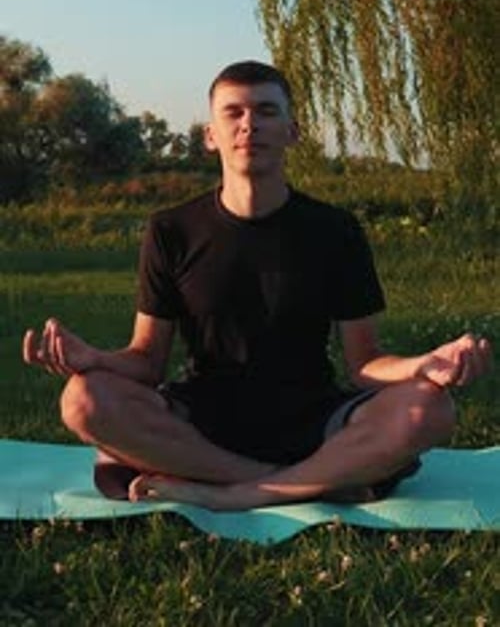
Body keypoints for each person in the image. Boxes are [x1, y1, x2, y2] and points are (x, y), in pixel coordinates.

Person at [23, 60, 492, 511]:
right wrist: (95, 360)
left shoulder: (335, 230)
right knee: (83, 400)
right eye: (234, 112)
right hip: (201, 421)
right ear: (211, 135)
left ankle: (236, 493)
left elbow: (365, 364)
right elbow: (147, 361)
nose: (250, 124)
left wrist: (425, 365)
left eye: (266, 111)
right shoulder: (171, 229)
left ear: (292, 131)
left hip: (314, 416)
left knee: (430, 408)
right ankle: (298, 481)